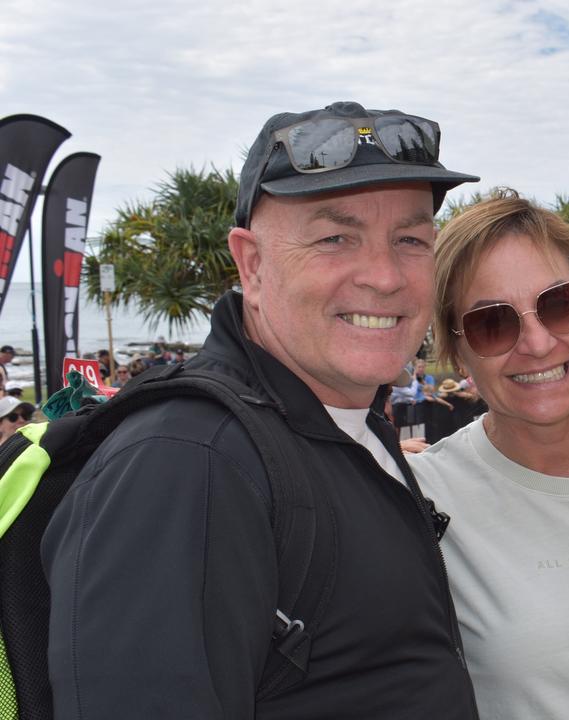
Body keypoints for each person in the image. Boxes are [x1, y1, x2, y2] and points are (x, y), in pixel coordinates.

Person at [43, 101, 481, 718]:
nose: (384, 276)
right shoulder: (186, 461)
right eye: (336, 238)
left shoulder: (348, 428)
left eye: (410, 239)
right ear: (251, 264)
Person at [407, 193, 569, 719]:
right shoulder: (420, 499)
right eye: (492, 323)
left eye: (560, 304)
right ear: (456, 350)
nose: (537, 342)